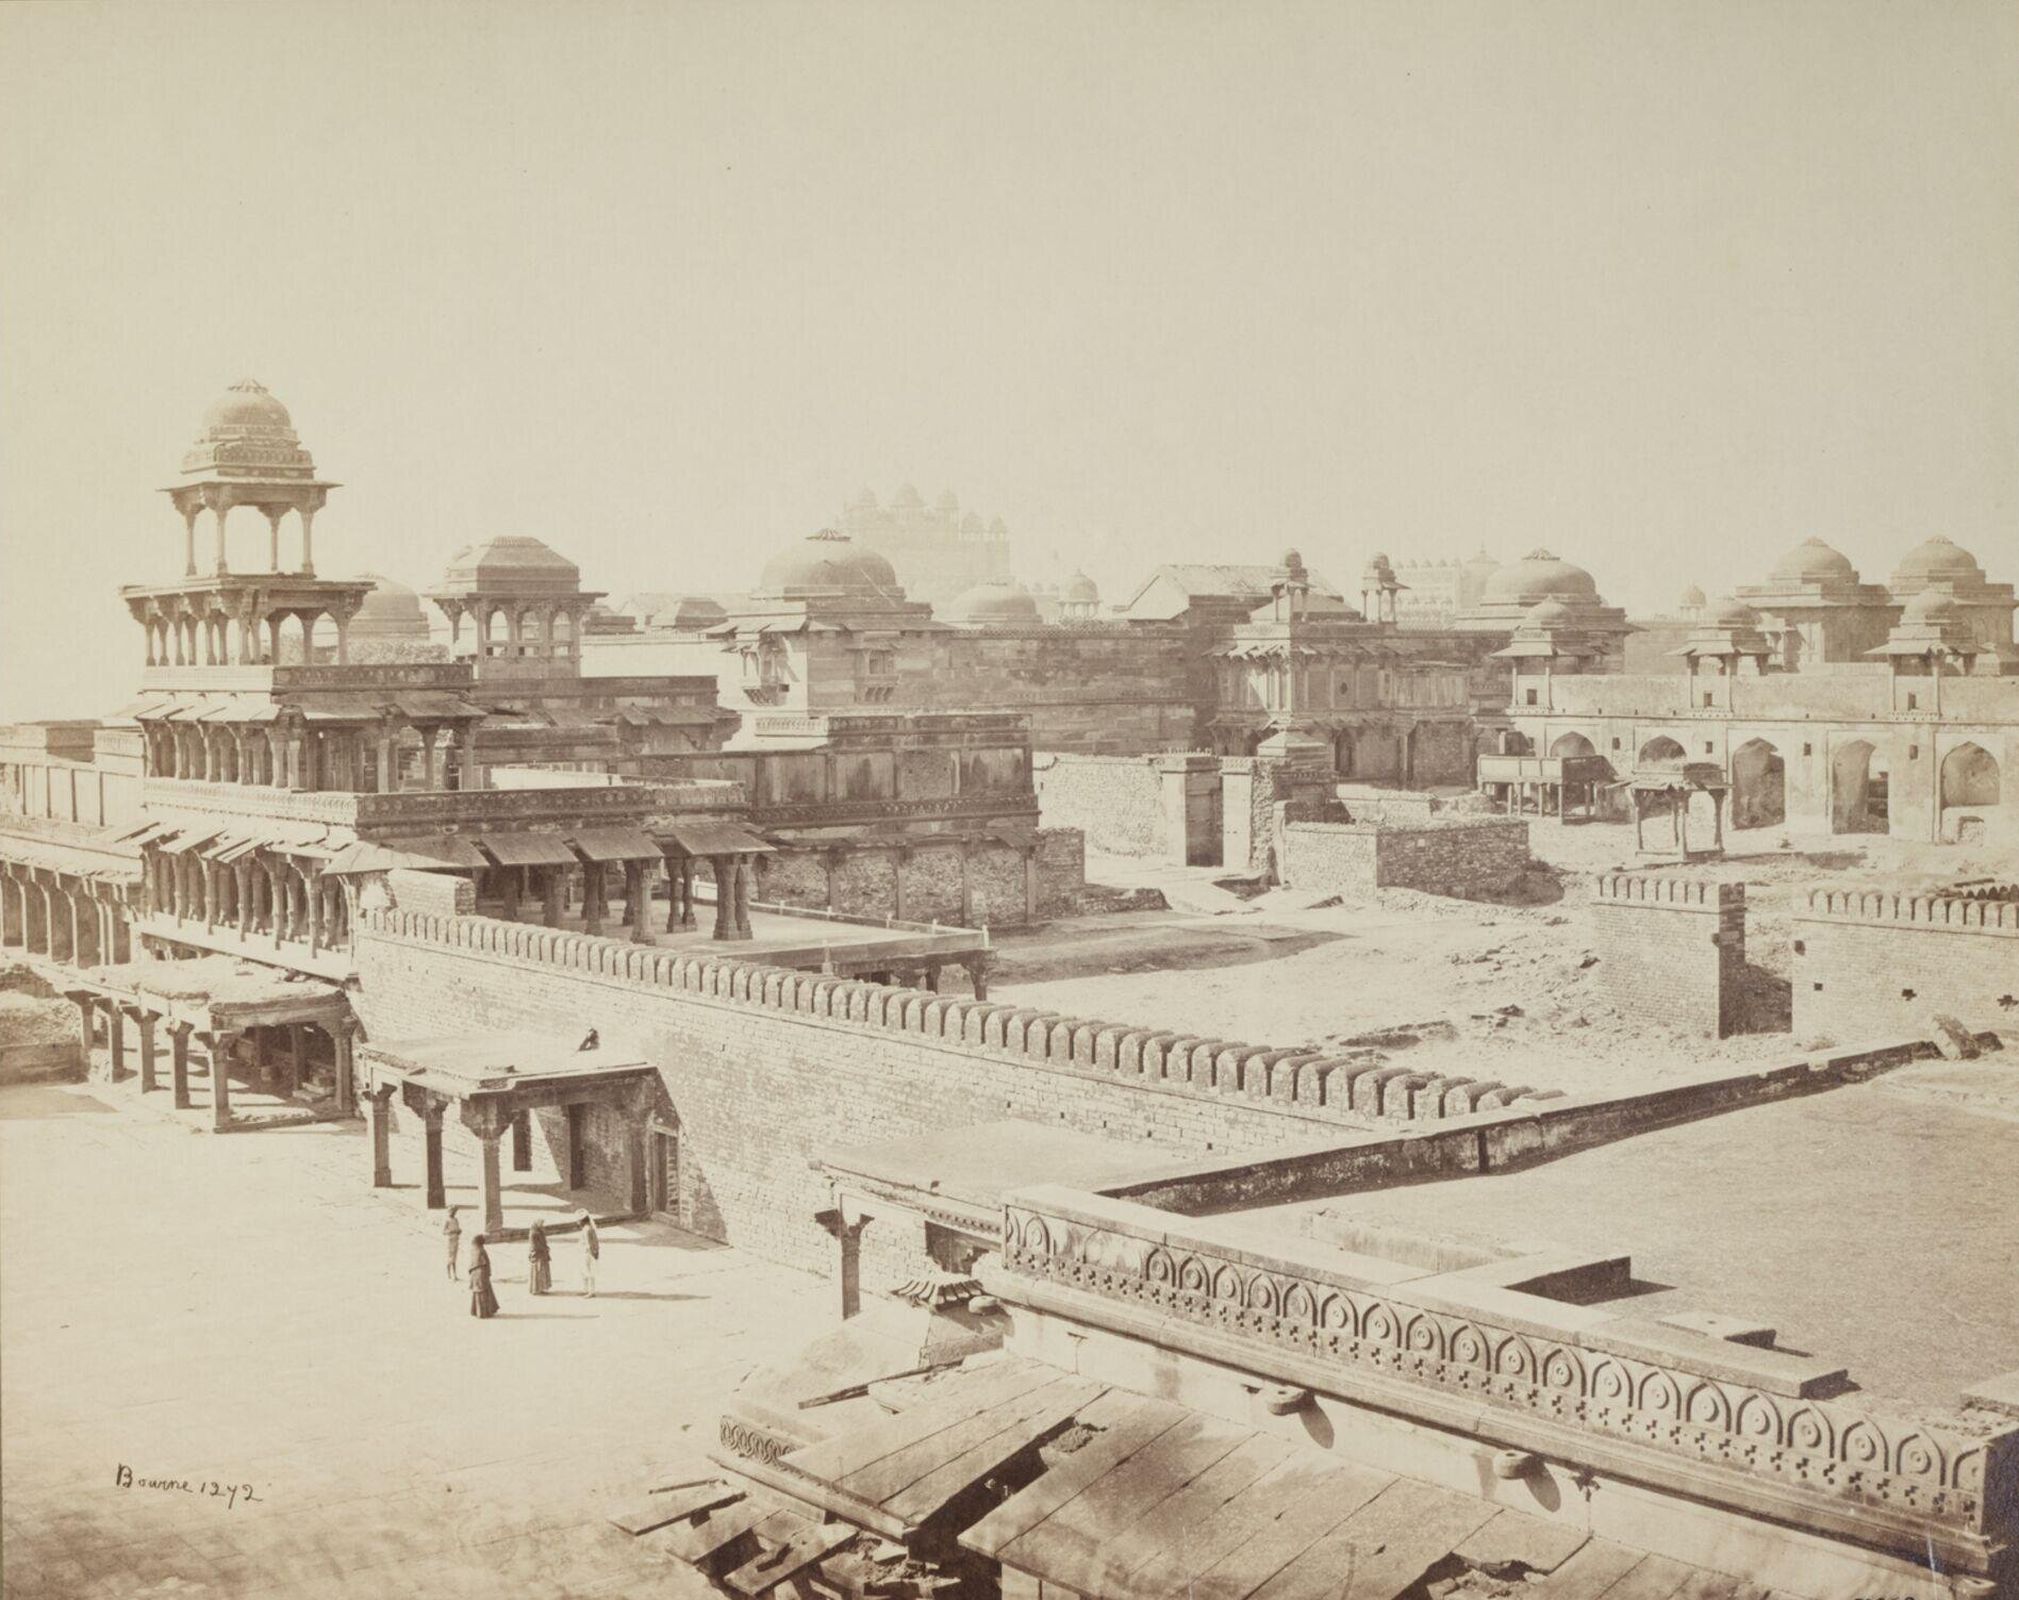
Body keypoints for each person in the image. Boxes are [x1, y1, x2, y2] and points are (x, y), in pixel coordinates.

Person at [468, 1235, 499, 1319]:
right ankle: (483, 1312)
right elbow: (486, 1263)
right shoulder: (481, 1251)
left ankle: (477, 1311)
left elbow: (472, 1264)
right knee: (483, 1293)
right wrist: (488, 1273)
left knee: (478, 1293)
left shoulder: (473, 1250)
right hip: (482, 1274)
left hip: (475, 1274)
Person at [528, 1219, 551, 1296]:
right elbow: (534, 1245)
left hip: (542, 1254)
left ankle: (541, 1288)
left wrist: (546, 1247)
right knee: (537, 1271)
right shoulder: (534, 1233)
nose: (542, 1225)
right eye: (541, 1224)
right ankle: (535, 1289)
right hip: (537, 1255)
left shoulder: (540, 1232)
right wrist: (544, 1248)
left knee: (541, 1272)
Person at [579, 1211, 599, 1297]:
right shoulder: (590, 1228)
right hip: (588, 1252)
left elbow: (589, 1243)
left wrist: (592, 1252)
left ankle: (590, 1291)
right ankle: (586, 1289)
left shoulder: (586, 1229)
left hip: (587, 1253)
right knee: (585, 1271)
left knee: (588, 1271)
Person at [444, 1207, 462, 1281]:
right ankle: (449, 1275)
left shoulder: (456, 1220)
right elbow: (444, 1231)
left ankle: (455, 1275)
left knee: (454, 1258)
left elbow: (458, 1228)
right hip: (450, 1240)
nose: (454, 1213)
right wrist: (451, 1232)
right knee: (450, 1258)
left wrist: (459, 1231)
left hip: (456, 1239)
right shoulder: (447, 1220)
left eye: (455, 1212)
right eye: (452, 1211)